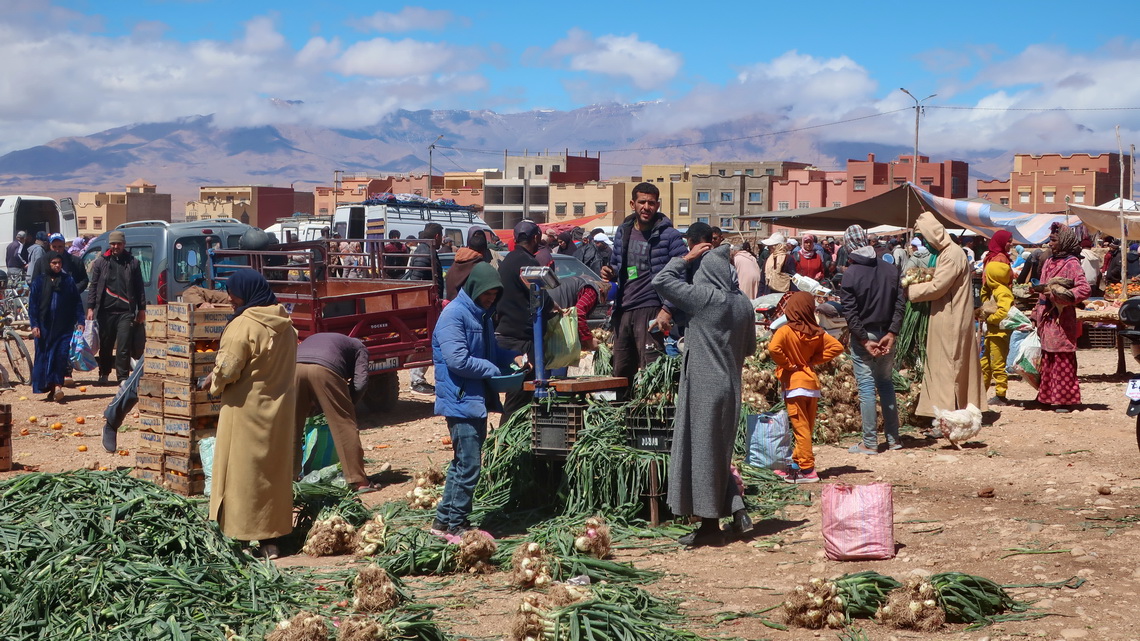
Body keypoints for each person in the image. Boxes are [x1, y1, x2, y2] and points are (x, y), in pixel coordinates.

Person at [652, 243, 755, 546]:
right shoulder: (743, 305)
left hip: (704, 387)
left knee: (702, 455)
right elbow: (749, 348)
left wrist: (686, 258)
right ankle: (736, 510)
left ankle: (710, 528)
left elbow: (662, 281)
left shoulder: (706, 298)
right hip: (731, 387)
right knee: (716, 454)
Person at [205, 269, 298, 559]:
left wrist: (214, 382)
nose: (230, 299)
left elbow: (229, 368)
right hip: (279, 412)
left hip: (245, 412)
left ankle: (242, 537)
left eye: (233, 294)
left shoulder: (243, 325)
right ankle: (271, 541)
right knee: (271, 472)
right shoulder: (286, 323)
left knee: (242, 475)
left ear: (246, 292)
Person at [431, 262, 525, 538]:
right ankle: (458, 526)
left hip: (474, 399)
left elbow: (491, 350)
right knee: (470, 465)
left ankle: (442, 523)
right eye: (487, 294)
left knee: (462, 463)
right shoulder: (454, 315)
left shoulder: (480, 315)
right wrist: (494, 370)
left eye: (495, 295)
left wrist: (512, 357)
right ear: (474, 288)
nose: (490, 299)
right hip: (460, 400)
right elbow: (457, 360)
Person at [600, 182, 687, 395]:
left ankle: (652, 420)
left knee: (652, 369)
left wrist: (667, 309)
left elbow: (683, 273)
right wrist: (610, 272)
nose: (646, 207)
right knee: (621, 369)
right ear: (633, 204)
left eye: (651, 203)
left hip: (651, 309)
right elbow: (618, 264)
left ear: (657, 205)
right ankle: (623, 419)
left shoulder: (670, 236)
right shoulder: (624, 231)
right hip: (624, 309)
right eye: (642, 202)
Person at [905, 212, 987, 419]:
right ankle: (958, 408)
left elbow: (938, 287)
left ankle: (947, 414)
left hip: (950, 317)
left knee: (946, 366)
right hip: (950, 314)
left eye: (925, 238)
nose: (924, 243)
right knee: (954, 363)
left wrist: (909, 292)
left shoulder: (951, 254)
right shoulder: (949, 253)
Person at [839, 225, 906, 455]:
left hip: (864, 336)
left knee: (867, 386)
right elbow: (900, 304)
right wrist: (891, 333)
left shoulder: (850, 273)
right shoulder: (890, 269)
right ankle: (894, 439)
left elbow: (850, 312)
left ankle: (869, 442)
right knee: (886, 383)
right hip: (887, 334)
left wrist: (863, 339)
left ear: (849, 246)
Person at [768, 292, 844, 483]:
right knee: (806, 429)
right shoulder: (817, 332)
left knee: (800, 429)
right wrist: (812, 360)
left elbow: (773, 349)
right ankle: (796, 464)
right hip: (811, 385)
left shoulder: (785, 331)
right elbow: (837, 347)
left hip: (794, 385)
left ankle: (808, 470)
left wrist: (788, 364)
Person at [294, 333, 375, 492]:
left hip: (294, 369)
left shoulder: (317, 338)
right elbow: (360, 384)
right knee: (344, 424)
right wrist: (347, 404)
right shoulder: (360, 347)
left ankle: (290, 477)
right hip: (326, 368)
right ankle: (359, 481)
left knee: (292, 426)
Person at [496, 220, 554, 419]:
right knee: (520, 396)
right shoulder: (528, 262)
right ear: (536, 237)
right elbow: (542, 298)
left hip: (507, 334)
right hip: (523, 339)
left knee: (518, 394)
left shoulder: (508, 260)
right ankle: (504, 444)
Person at [1033, 224, 1090, 412]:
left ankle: (1065, 399)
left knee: (1062, 357)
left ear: (1064, 242)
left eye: (1053, 240)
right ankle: (1047, 396)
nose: (1050, 243)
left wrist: (1063, 296)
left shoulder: (1072, 263)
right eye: (1050, 239)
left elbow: (1084, 289)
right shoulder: (1049, 262)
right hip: (1046, 319)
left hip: (1062, 319)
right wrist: (1035, 313)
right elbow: (1042, 290)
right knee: (1048, 357)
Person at [86, 230, 146, 385]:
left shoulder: (133, 262)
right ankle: (104, 373)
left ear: (124, 244)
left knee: (123, 346)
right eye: (113, 243)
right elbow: (93, 286)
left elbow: (139, 287)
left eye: (119, 243)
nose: (115, 246)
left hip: (125, 311)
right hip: (105, 311)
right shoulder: (101, 262)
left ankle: (123, 377)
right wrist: (91, 307)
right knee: (106, 345)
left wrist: (141, 309)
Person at [28, 252, 84, 402]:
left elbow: (76, 302)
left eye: (59, 263)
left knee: (60, 356)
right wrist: (34, 325)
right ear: (48, 264)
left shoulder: (68, 281)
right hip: (44, 328)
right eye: (54, 263)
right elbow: (33, 306)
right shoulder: (39, 281)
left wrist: (80, 321)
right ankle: (50, 388)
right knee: (45, 358)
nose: (57, 266)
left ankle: (58, 386)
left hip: (64, 327)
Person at [407, 223, 444, 395]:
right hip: (423, 307)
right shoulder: (424, 252)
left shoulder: (426, 249)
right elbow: (417, 280)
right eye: (441, 236)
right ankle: (417, 380)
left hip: (429, 306)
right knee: (421, 342)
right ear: (437, 236)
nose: (442, 239)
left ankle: (419, 379)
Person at [978, 230, 1015, 406]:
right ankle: (980, 392)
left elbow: (1003, 311)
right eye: (1009, 241)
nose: (1011, 244)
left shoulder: (1001, 291)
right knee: (985, 363)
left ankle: (1000, 394)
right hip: (991, 331)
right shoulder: (996, 262)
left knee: (997, 363)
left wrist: (990, 319)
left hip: (998, 332)